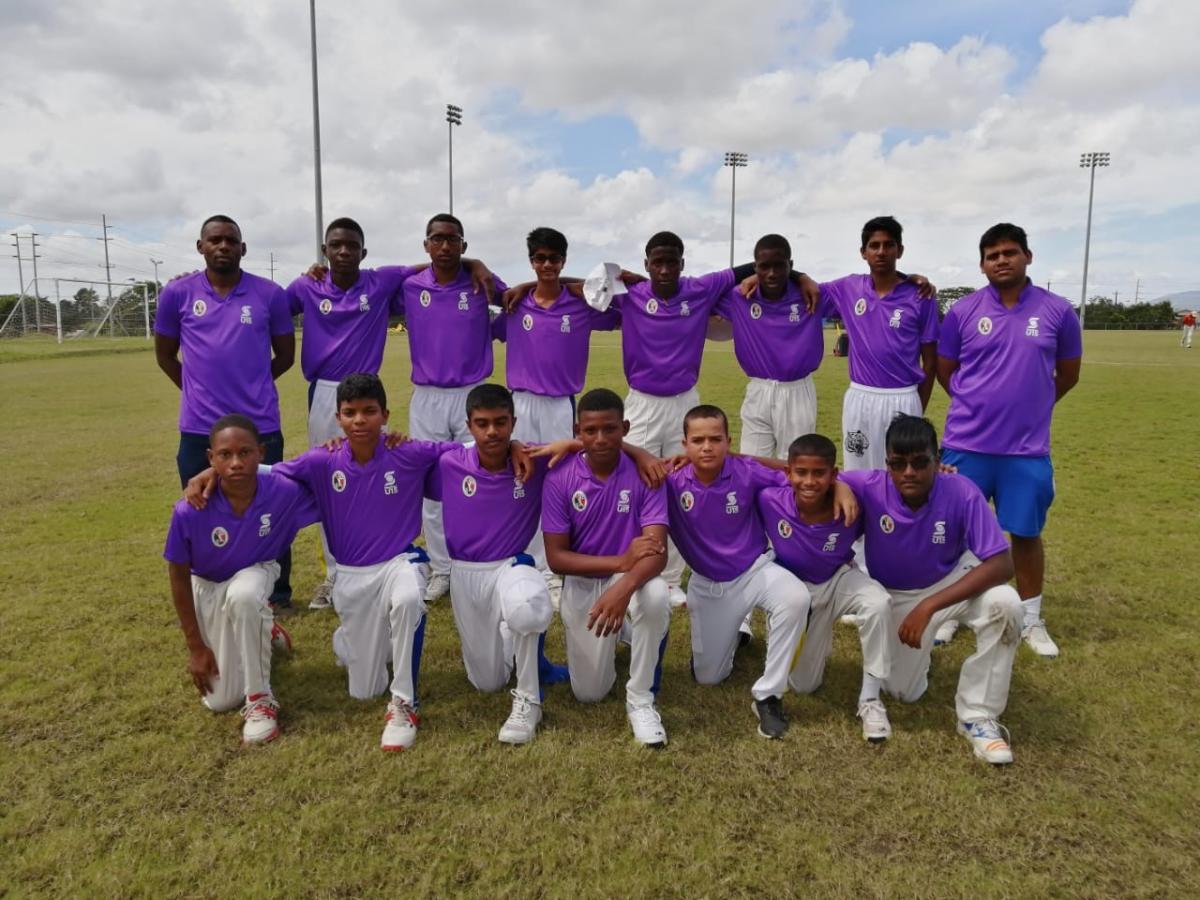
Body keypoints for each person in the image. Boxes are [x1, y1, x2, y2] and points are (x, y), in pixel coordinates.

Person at [188, 374, 476, 751]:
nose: (360, 421)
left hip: (397, 563)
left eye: (369, 412)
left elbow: (468, 448)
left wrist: (516, 445)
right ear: (338, 418)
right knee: (363, 690)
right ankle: (350, 642)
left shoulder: (408, 451)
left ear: (385, 414)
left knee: (407, 601)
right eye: (350, 413)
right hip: (351, 578)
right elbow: (270, 471)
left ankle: (404, 703)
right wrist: (215, 469)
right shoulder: (322, 460)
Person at [288, 217, 494, 610]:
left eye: (351, 245)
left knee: (391, 480)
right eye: (335, 246)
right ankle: (336, 576)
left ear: (364, 252)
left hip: (369, 391)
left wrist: (475, 263)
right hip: (327, 392)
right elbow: (270, 308)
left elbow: (438, 263)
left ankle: (424, 566)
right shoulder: (307, 285)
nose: (344, 251)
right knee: (330, 485)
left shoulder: (382, 280)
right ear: (326, 251)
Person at [590, 232, 789, 603]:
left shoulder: (700, 288)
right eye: (657, 262)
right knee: (638, 484)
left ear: (682, 263)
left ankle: (668, 578)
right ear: (646, 264)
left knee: (684, 482)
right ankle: (634, 567)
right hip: (643, 403)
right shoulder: (630, 294)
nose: (664, 269)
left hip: (685, 402)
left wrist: (798, 277)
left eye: (672, 261)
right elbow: (581, 286)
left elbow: (752, 266)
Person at [838, 415, 1024, 765]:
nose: (909, 472)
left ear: (938, 460)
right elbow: (803, 471)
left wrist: (929, 607)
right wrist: (838, 484)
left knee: (1006, 605)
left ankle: (978, 717)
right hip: (897, 594)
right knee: (903, 692)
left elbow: (1003, 565)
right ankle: (920, 655)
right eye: (898, 463)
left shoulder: (962, 490)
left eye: (920, 462)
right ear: (886, 463)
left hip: (951, 582)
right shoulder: (870, 484)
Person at [934, 223, 1082, 657]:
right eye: (993, 254)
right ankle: (953, 611)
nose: (1002, 260)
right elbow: (946, 370)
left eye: (1010, 252)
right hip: (966, 445)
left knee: (1026, 533)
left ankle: (1032, 619)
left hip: (1025, 450)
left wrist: (1033, 406)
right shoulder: (962, 311)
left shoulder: (1057, 311)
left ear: (1027, 257)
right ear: (982, 264)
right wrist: (974, 404)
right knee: (955, 534)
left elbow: (1068, 374)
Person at [155, 214, 296, 608]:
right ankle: (214, 586)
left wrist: (253, 385)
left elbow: (285, 355)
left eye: (231, 240)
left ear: (242, 248)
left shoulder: (269, 294)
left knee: (271, 506)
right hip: (199, 427)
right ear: (200, 247)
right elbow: (165, 356)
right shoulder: (177, 294)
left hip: (260, 425)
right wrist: (198, 390)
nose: (223, 246)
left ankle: (278, 593)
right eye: (214, 240)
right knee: (201, 505)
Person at [164, 415, 317, 744]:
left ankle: (260, 701)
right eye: (224, 455)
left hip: (256, 574)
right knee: (220, 700)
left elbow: (327, 476)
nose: (235, 462)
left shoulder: (283, 492)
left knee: (245, 595)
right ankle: (266, 628)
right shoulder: (190, 509)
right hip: (207, 587)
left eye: (245, 453)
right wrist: (196, 647)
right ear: (210, 458)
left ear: (261, 453)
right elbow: (178, 576)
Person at [665, 405, 813, 739]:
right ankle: (735, 631)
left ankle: (769, 695)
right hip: (708, 583)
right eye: (698, 440)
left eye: (715, 439)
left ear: (729, 442)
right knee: (708, 678)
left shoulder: (746, 470)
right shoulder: (670, 479)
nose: (707, 447)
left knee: (795, 598)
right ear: (684, 444)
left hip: (755, 569)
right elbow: (622, 464)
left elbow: (795, 474)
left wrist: (843, 485)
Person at [541, 389, 672, 747]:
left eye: (610, 429)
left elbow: (656, 552)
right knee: (589, 694)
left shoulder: (646, 474)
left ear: (625, 428)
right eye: (590, 430)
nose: (600, 439)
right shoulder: (559, 477)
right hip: (584, 581)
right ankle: (624, 630)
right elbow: (556, 558)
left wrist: (622, 585)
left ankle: (641, 697)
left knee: (657, 596)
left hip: (628, 580)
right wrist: (620, 562)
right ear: (577, 431)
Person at [432, 384, 557, 744]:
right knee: (487, 682)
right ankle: (508, 630)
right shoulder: (448, 460)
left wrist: (532, 446)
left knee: (528, 605)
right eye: (482, 423)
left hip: (511, 567)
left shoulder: (533, 460)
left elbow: (594, 450)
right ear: (468, 425)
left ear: (513, 422)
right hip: (465, 573)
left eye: (501, 423)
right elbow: (391, 451)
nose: (492, 432)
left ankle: (529, 699)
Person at [398, 214, 509, 605]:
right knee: (432, 486)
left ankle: (481, 561)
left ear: (464, 245)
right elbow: (366, 281)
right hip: (427, 395)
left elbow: (521, 300)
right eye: (437, 239)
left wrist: (478, 266)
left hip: (473, 394)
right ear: (426, 245)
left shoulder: (482, 283)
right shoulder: (410, 286)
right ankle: (442, 569)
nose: (445, 246)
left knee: (480, 479)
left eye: (453, 240)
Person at [758, 434, 895, 743]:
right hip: (796, 592)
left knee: (877, 602)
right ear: (789, 472)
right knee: (803, 685)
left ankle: (870, 700)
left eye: (819, 473)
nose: (809, 481)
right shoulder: (769, 498)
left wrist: (943, 472)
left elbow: (893, 481)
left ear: (834, 474)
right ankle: (813, 638)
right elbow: (743, 463)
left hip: (839, 577)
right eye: (801, 473)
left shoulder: (853, 503)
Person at [814, 216, 939, 471]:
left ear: (899, 250)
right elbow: (804, 289)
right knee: (857, 473)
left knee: (902, 475)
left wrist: (917, 406)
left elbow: (931, 361)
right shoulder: (848, 288)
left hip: (904, 397)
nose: (881, 251)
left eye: (889, 244)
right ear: (863, 252)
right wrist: (752, 278)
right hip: (860, 396)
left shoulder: (921, 296)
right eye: (874, 245)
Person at [714, 234, 832, 458]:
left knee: (796, 464)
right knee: (753, 464)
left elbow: (865, 287)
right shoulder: (740, 297)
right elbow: (694, 292)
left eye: (780, 266)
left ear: (791, 265)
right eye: (764, 267)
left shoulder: (812, 294)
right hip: (758, 390)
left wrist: (802, 278)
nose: (772, 273)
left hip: (798, 390)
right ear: (754, 267)